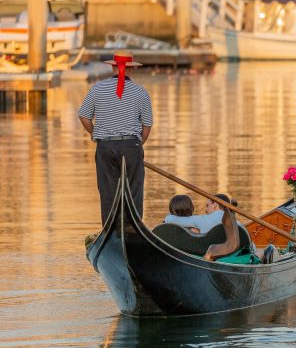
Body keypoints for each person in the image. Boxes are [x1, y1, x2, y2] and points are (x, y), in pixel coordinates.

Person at [78, 50, 153, 225]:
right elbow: (147, 126)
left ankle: (110, 228)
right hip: (131, 146)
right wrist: (136, 145)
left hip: (106, 147)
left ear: (113, 67)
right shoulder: (141, 92)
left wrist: (96, 134)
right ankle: (133, 228)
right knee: (134, 191)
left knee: (107, 191)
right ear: (131, 69)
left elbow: (83, 116)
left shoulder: (97, 88)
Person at [163, 193, 229, 234]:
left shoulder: (202, 220)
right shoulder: (236, 223)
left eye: (207, 205)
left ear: (215, 204)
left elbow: (170, 219)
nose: (205, 210)